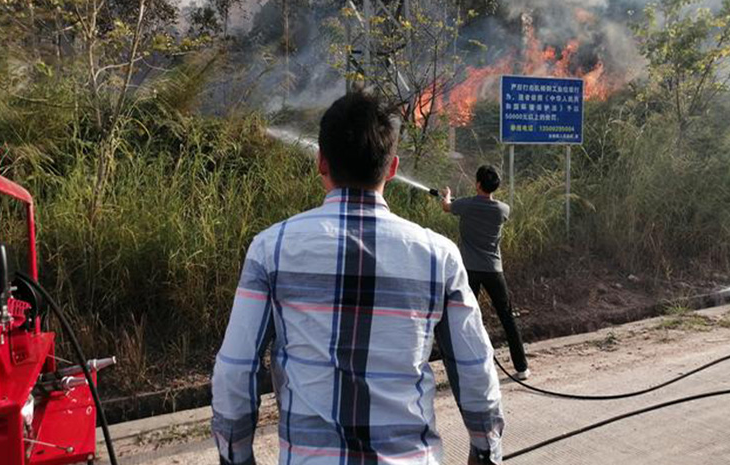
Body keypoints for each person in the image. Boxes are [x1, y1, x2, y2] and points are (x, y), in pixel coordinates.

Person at [211, 91, 505, 465]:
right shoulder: (439, 255)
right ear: (393, 167)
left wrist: (235, 456)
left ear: (321, 161)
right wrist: (485, 449)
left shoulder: (271, 248)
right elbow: (475, 368)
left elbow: (235, 372)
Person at [441, 166, 529, 380]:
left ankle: (467, 368)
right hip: (493, 270)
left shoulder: (466, 205)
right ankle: (522, 367)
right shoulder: (502, 209)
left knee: (464, 317)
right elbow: (483, 207)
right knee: (507, 317)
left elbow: (447, 207)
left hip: (469, 270)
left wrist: (448, 195)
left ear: (478, 184)